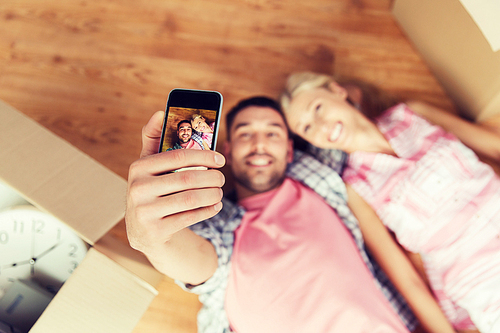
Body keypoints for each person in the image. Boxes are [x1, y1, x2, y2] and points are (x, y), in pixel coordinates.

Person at [126, 96, 455, 333]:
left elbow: (346, 103)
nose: (259, 144)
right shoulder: (219, 223)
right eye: (244, 134)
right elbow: (198, 261)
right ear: (226, 150)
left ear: (289, 149)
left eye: (272, 133)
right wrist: (155, 240)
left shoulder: (324, 179)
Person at [281, 71, 500, 333]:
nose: (319, 125)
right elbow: (407, 280)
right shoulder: (356, 189)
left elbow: (495, 147)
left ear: (337, 91)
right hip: (480, 277)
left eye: (317, 108)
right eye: (306, 128)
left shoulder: (414, 114)